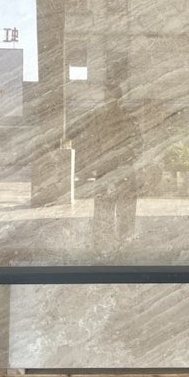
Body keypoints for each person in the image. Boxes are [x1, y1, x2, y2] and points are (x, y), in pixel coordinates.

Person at [70, 84, 141, 253]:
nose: (106, 101)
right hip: (104, 172)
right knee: (103, 214)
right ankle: (103, 250)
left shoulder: (128, 119)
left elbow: (138, 145)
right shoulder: (99, 120)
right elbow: (91, 146)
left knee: (126, 214)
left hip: (124, 171)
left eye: (109, 98)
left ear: (118, 99)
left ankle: (125, 250)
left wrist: (123, 160)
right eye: (105, 98)